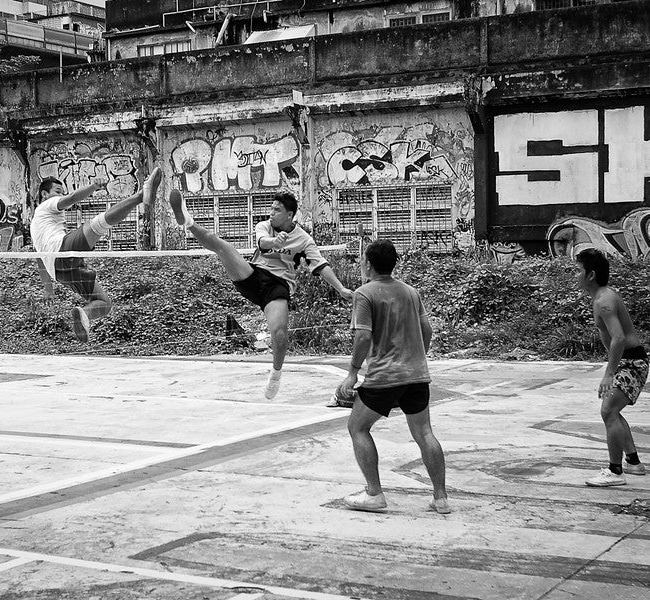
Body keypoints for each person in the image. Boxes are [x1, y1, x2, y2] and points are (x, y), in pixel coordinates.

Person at [169, 188, 353, 399]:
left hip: (277, 286)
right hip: (252, 275)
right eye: (271, 209)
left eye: (277, 210)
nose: (271, 213)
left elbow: (320, 265)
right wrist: (275, 242)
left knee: (280, 334)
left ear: (290, 215)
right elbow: (263, 242)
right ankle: (188, 221)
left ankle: (276, 373)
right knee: (223, 247)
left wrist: (341, 288)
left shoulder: (304, 240)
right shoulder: (265, 226)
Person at [338, 239, 449, 514]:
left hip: (385, 376)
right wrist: (415, 359)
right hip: (417, 375)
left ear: (368, 263)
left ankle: (374, 494)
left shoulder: (365, 293)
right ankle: (441, 497)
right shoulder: (411, 292)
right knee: (424, 433)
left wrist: (352, 372)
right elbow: (428, 332)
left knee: (358, 427)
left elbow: (363, 335)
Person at [31, 167, 163, 342]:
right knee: (98, 224)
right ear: (44, 194)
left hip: (59, 272)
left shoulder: (35, 225)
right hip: (62, 251)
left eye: (61, 192)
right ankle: (140, 196)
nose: (60, 195)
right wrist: (93, 186)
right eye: (57, 192)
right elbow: (71, 199)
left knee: (103, 303)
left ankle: (83, 314)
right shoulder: (47, 205)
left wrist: (48, 290)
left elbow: (40, 259)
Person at [576, 249, 646, 487]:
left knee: (608, 411)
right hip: (629, 361)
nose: (575, 275)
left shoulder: (604, 300)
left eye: (578, 270)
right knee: (613, 410)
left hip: (632, 362)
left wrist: (609, 374)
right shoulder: (601, 297)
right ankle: (634, 463)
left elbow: (618, 338)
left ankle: (615, 472)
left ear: (591, 275)